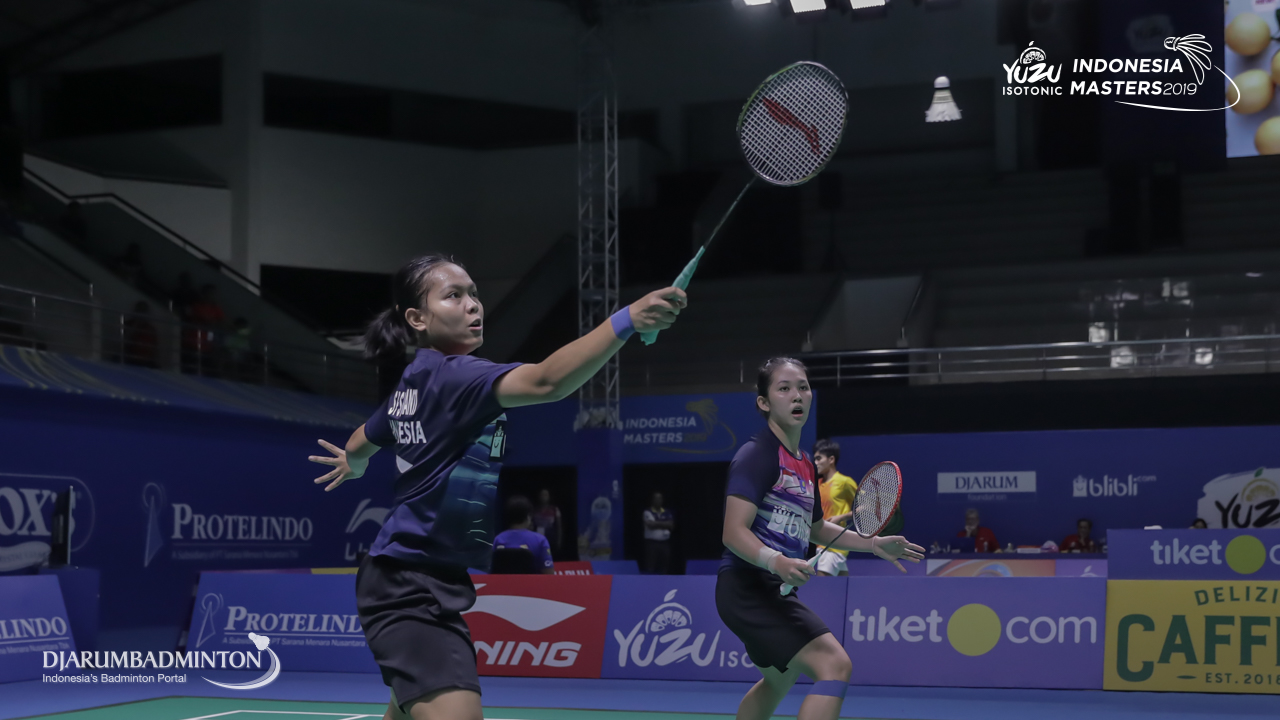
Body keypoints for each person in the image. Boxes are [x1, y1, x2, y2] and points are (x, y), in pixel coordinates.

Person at [307, 254, 685, 720]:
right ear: (417, 319)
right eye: (453, 296)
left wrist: (354, 462)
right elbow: (548, 382)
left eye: (474, 293)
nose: (473, 305)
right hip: (409, 588)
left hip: (418, 578)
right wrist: (624, 320)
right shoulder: (455, 375)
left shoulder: (416, 378)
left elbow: (363, 439)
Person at [716, 357, 923, 720]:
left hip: (771, 588)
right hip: (748, 587)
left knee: (779, 679)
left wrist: (873, 544)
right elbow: (733, 532)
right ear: (764, 402)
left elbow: (817, 529)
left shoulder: (805, 465)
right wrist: (776, 561)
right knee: (835, 665)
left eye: (803, 387)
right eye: (784, 388)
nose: (796, 395)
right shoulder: (757, 455)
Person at [812, 439, 857, 577]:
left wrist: (842, 517)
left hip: (832, 544)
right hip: (823, 542)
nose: (815, 463)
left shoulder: (844, 482)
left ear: (831, 459)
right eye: (814, 459)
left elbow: (865, 507)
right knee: (842, 583)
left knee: (822, 585)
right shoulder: (817, 484)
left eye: (819, 458)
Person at [494, 496, 553, 574]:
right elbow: (549, 573)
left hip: (503, 582)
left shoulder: (498, 539)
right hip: (531, 582)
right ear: (528, 516)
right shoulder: (540, 540)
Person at [643, 492, 674, 574]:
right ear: (652, 500)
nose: (658, 500)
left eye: (660, 498)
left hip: (664, 544)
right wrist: (664, 523)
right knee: (650, 566)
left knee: (664, 567)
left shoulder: (667, 512)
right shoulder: (648, 511)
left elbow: (671, 525)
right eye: (656, 498)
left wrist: (656, 523)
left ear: (662, 500)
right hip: (652, 544)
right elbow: (650, 525)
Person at [122, 301, 159, 368]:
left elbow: (154, 350)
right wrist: (135, 326)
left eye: (143, 311)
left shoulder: (150, 329)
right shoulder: (128, 324)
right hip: (131, 359)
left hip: (146, 362)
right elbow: (124, 342)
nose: (141, 314)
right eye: (139, 311)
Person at [531, 488, 563, 557]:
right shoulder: (534, 510)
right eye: (542, 495)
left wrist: (559, 541)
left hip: (550, 538)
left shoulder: (554, 509)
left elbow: (559, 527)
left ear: (549, 497)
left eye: (546, 495)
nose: (544, 497)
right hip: (537, 539)